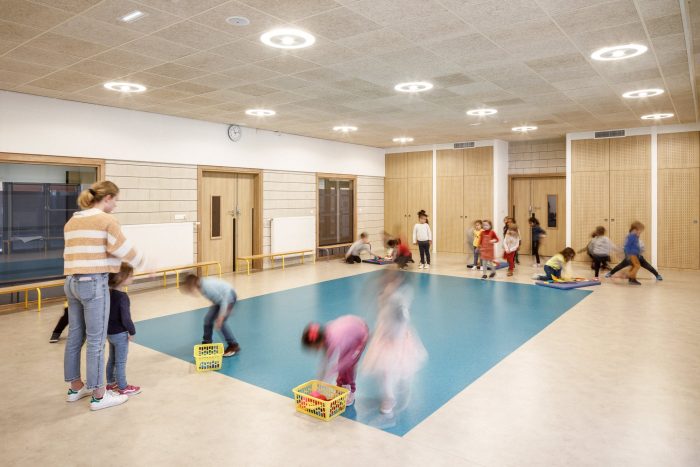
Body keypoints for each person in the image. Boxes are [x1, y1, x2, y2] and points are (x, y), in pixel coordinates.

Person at [63, 181, 144, 411]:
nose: (116, 205)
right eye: (115, 200)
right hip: (93, 283)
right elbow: (123, 249)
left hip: (71, 282)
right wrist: (143, 262)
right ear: (107, 198)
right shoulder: (107, 220)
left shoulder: (72, 221)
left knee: (75, 337)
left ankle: (76, 387)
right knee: (96, 341)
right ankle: (99, 395)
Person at [363, 270, 426, 415]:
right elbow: (381, 314)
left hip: (397, 337)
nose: (386, 281)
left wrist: (398, 309)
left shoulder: (399, 297)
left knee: (394, 366)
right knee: (384, 370)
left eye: (391, 279)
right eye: (385, 279)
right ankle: (388, 396)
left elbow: (403, 317)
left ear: (398, 281)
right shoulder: (383, 294)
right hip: (383, 336)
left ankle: (390, 396)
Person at [302, 315, 369, 406]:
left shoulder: (335, 342)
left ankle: (350, 392)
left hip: (360, 334)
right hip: (350, 329)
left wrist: (320, 391)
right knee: (340, 365)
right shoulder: (324, 335)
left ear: (318, 342)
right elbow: (324, 362)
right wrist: (318, 383)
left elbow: (334, 368)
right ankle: (341, 387)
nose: (316, 349)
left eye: (316, 347)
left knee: (347, 365)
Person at [182, 274, 241, 356]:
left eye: (190, 288)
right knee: (208, 319)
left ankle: (233, 345)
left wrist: (221, 316)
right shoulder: (201, 285)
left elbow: (223, 301)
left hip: (228, 297)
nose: (191, 291)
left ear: (194, 284)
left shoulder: (206, 287)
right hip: (221, 299)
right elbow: (217, 296)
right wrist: (215, 304)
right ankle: (207, 343)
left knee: (221, 323)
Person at [105, 263, 140, 396]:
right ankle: (123, 387)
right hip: (120, 334)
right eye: (130, 276)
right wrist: (132, 331)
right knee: (120, 361)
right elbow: (126, 318)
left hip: (110, 333)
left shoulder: (108, 293)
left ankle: (111, 383)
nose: (132, 278)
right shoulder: (123, 297)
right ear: (121, 278)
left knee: (112, 359)